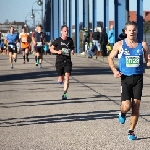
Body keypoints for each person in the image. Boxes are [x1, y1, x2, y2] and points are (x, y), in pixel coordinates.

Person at [108, 21, 150, 140]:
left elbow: (148, 62)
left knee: (136, 106)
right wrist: (114, 71)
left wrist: (149, 60)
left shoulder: (143, 45)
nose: (132, 32)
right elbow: (110, 58)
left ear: (137, 31)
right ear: (125, 31)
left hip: (138, 78)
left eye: (134, 30)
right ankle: (122, 113)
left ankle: (131, 131)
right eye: (129, 30)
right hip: (125, 78)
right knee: (126, 106)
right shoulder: (119, 45)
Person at [50, 25, 75, 100]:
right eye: (65, 31)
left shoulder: (70, 40)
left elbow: (72, 47)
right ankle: (60, 79)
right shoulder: (57, 40)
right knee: (61, 79)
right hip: (59, 61)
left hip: (67, 61)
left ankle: (64, 94)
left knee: (67, 77)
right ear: (61, 32)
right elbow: (51, 49)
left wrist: (73, 50)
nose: (66, 32)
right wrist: (57, 52)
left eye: (67, 31)